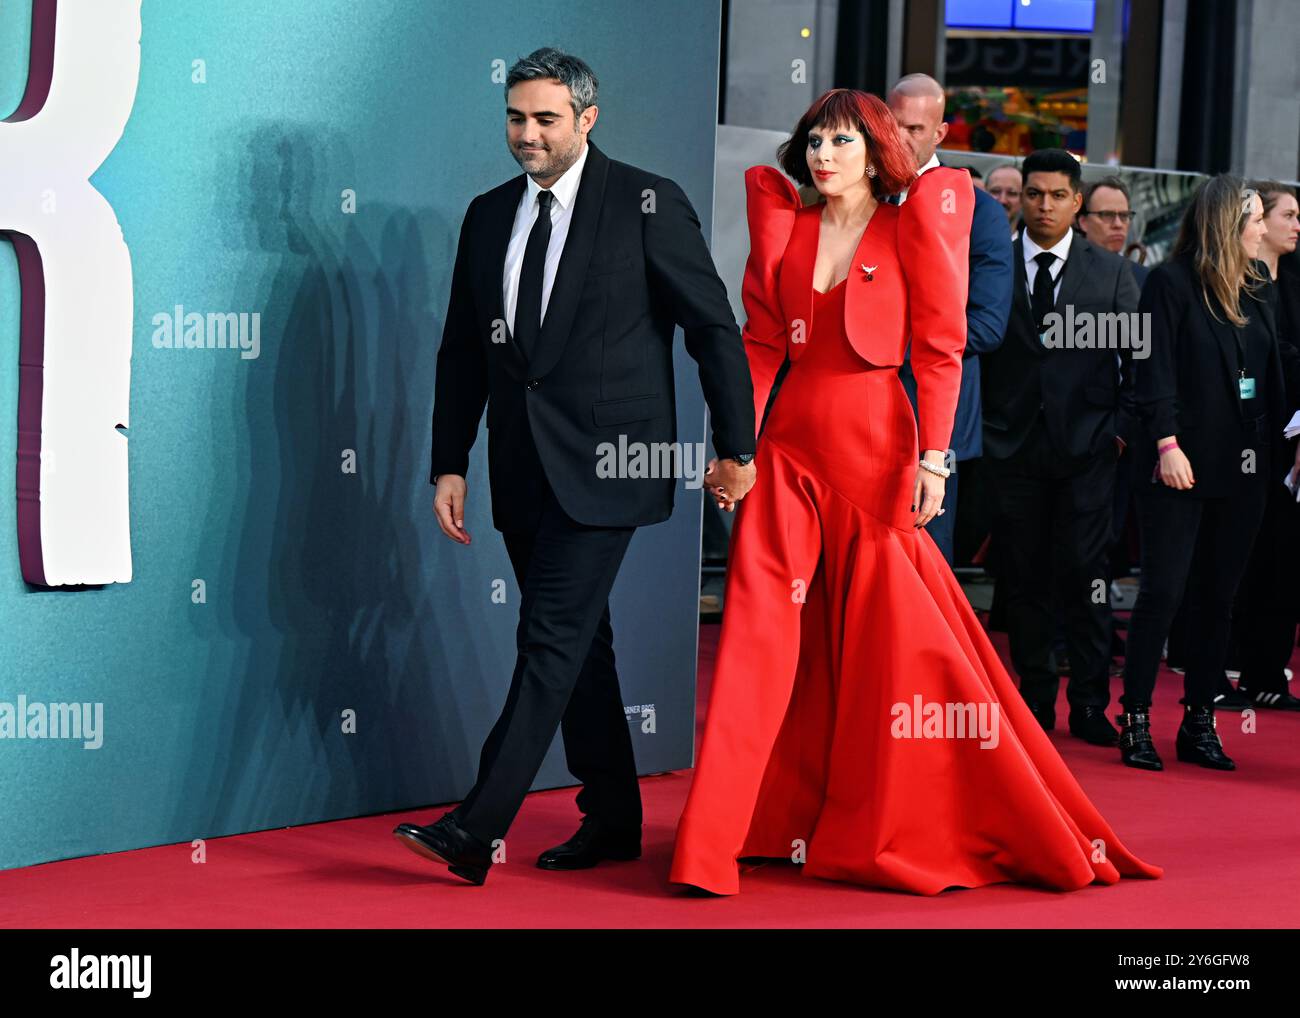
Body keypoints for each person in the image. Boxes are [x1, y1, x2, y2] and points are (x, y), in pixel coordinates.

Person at [668, 89, 1161, 896]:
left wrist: (935, 459)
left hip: (878, 452)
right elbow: (759, 344)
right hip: (787, 448)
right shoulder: (783, 226)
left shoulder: (915, 222)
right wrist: (736, 448)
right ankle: (717, 840)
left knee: (891, 650)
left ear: (878, 152)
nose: (824, 154)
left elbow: (941, 346)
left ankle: (899, 821)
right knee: (757, 634)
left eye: (842, 141)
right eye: (815, 140)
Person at [396, 48, 759, 884]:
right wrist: (448, 460)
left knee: (549, 638)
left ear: (587, 120)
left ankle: (474, 826)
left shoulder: (646, 202)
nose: (527, 134)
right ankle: (615, 816)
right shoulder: (489, 214)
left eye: (545, 119)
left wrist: (737, 448)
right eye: (517, 118)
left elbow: (712, 328)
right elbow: (462, 351)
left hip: (616, 463)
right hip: (520, 467)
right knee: (580, 642)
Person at [1117, 177, 1287, 771]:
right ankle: (1134, 719)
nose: (1264, 229)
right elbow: (1151, 368)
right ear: (1225, 223)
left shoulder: (1260, 285)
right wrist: (1166, 442)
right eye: (1255, 219)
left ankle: (1199, 722)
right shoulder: (1169, 283)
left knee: (1220, 597)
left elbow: (1274, 370)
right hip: (1178, 464)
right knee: (1164, 592)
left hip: (1244, 469)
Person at [980, 149, 1141, 746]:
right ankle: (1035, 701)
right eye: (1033, 194)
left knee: (1085, 576)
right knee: (1022, 579)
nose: (1043, 206)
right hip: (1013, 448)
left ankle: (1093, 704)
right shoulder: (994, 265)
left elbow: (1137, 360)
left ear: (1077, 202)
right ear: (1021, 198)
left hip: (1089, 451)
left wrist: (1118, 433)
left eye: (1056, 196)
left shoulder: (1111, 272)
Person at [887, 74, 1013, 564]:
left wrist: (875, 344)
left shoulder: (979, 212)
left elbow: (985, 326)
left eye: (914, 129)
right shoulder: (863, 202)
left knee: (923, 570)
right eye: (891, 125)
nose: (899, 139)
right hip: (855, 418)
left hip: (932, 427)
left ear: (939, 134)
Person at [1230, 181, 1300, 710]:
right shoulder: (1241, 285)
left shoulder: (1291, 284)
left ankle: (1265, 672)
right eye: (1287, 215)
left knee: (1280, 559)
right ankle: (1220, 665)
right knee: (1241, 555)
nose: (1296, 225)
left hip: (1287, 440)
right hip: (1244, 438)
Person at [1077, 175, 1149, 288]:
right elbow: (1068, 306)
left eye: (1124, 215)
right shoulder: (1065, 272)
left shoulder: (1141, 278)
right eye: (1107, 215)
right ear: (1084, 222)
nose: (1118, 224)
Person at [986, 163, 1023, 236]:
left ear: (1023, 199)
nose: (1002, 200)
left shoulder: (1030, 246)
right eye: (995, 191)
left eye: (1011, 193)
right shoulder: (964, 244)